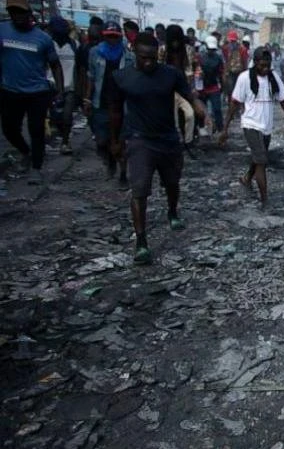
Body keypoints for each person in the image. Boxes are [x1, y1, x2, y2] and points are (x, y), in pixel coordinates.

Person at [107, 32, 205, 265]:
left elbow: (188, 95)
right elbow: (115, 111)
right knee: (139, 191)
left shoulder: (170, 74)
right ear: (134, 53)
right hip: (140, 140)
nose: (148, 62)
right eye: (143, 58)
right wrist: (115, 140)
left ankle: (172, 211)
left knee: (172, 183)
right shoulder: (122, 77)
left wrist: (198, 107)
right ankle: (141, 242)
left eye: (152, 58)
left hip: (168, 139)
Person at [0, 0, 63, 184]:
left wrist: (58, 89)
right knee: (9, 128)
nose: (17, 15)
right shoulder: (2, 31)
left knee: (36, 130)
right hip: (10, 89)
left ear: (29, 13)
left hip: (37, 91)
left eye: (21, 12)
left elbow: (55, 65)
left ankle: (36, 167)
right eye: (13, 12)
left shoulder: (42, 39)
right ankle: (25, 152)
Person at [220, 46, 284, 209]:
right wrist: (225, 129)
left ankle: (247, 178)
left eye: (267, 65)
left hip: (266, 126)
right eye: (261, 65)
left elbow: (283, 100)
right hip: (250, 124)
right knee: (261, 160)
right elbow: (234, 103)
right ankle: (265, 199)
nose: (265, 69)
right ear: (255, 63)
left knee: (259, 156)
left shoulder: (273, 78)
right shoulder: (245, 78)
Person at [85, 21, 134, 184]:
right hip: (101, 102)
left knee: (122, 140)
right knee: (102, 140)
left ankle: (123, 173)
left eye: (115, 36)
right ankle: (111, 161)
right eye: (109, 36)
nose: (112, 40)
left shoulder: (129, 57)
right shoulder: (95, 53)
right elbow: (91, 77)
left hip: (122, 105)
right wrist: (87, 99)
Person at [162, 25, 197, 155]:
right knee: (174, 119)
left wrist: (192, 88)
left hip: (183, 89)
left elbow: (190, 70)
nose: (175, 43)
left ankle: (188, 141)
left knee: (190, 114)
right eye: (173, 40)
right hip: (168, 90)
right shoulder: (163, 50)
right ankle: (179, 142)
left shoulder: (188, 50)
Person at [49, 17, 78, 155]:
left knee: (67, 116)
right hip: (50, 87)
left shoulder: (73, 45)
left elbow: (80, 68)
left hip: (69, 87)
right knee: (54, 117)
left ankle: (65, 142)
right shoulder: (49, 44)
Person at [198, 35, 225, 132]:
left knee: (217, 109)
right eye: (209, 49)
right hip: (203, 88)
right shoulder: (200, 58)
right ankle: (201, 128)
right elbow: (197, 73)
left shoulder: (218, 58)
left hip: (214, 87)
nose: (211, 51)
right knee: (201, 111)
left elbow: (221, 73)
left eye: (213, 49)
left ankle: (220, 129)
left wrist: (222, 86)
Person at [221, 30, 248, 101]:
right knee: (230, 90)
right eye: (231, 41)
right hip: (230, 73)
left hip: (240, 73)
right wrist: (225, 73)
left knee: (239, 91)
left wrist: (245, 73)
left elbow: (245, 62)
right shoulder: (226, 49)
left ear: (236, 41)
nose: (232, 43)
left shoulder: (243, 49)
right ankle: (231, 104)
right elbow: (225, 61)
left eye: (233, 41)